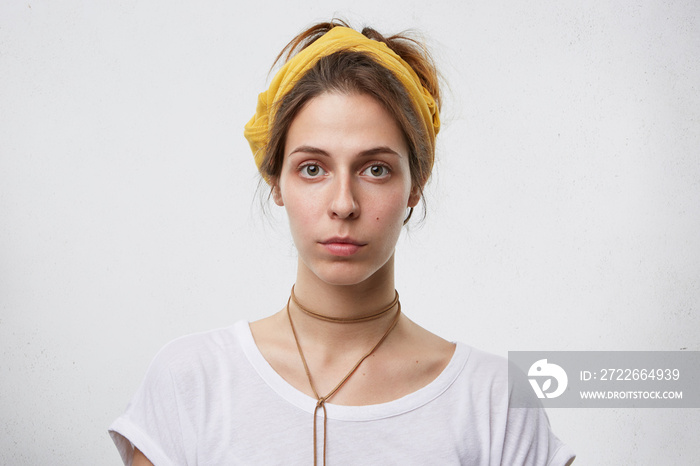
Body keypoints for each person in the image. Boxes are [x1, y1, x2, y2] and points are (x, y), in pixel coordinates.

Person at [109, 20, 575, 465]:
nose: (344, 204)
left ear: (417, 183)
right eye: (313, 168)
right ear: (275, 180)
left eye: (376, 169)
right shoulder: (190, 381)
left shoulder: (496, 402)